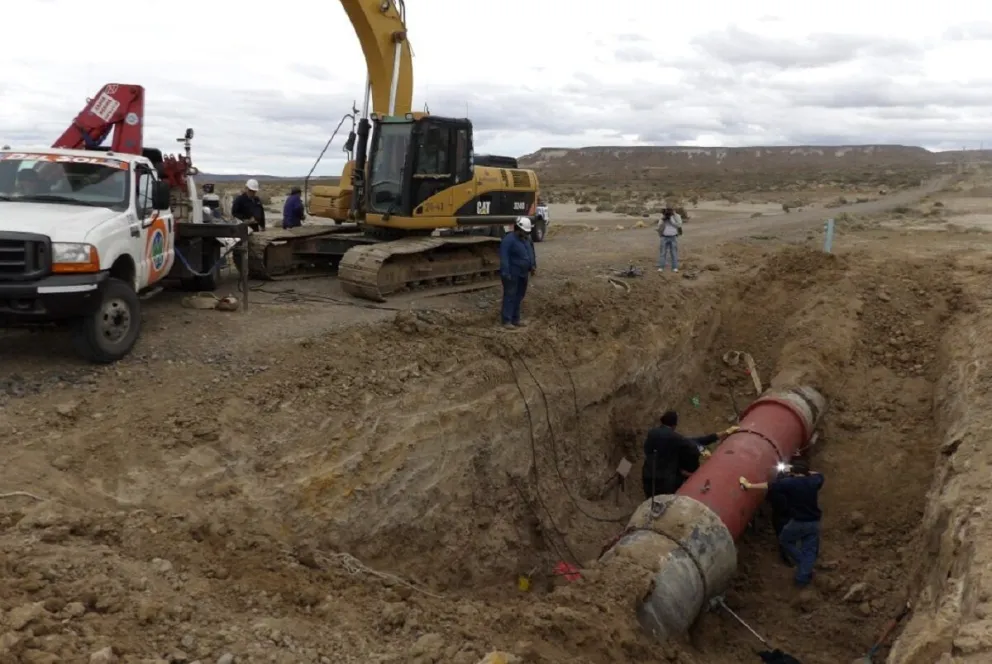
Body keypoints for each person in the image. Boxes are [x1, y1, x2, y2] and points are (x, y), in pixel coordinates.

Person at [740, 457, 824, 587]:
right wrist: (802, 470)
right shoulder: (814, 481)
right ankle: (803, 577)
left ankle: (803, 565)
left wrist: (749, 485)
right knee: (810, 549)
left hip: (798, 522)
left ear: (794, 471)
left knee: (785, 540)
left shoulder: (790, 483)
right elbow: (819, 474)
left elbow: (768, 486)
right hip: (814, 523)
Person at [642, 410, 739, 499]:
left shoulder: (652, 433)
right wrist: (702, 450)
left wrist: (724, 432)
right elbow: (693, 445)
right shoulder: (675, 438)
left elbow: (698, 440)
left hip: (648, 476)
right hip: (664, 481)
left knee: (651, 504)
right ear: (674, 425)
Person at [498, 217, 536, 329]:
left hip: (523, 273)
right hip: (512, 274)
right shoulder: (508, 240)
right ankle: (507, 320)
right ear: (518, 229)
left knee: (519, 296)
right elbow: (504, 258)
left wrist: (533, 265)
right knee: (510, 295)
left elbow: (531, 252)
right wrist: (506, 273)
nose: (526, 234)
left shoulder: (526, 239)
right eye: (524, 232)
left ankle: (516, 319)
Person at [656, 207, 682, 273]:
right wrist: (663, 219)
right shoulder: (663, 216)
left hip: (673, 237)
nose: (669, 212)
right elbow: (659, 226)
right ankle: (661, 267)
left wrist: (671, 220)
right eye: (668, 210)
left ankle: (675, 267)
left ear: (674, 210)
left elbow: (679, 225)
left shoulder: (677, 216)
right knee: (663, 253)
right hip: (664, 237)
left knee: (674, 253)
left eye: (670, 210)